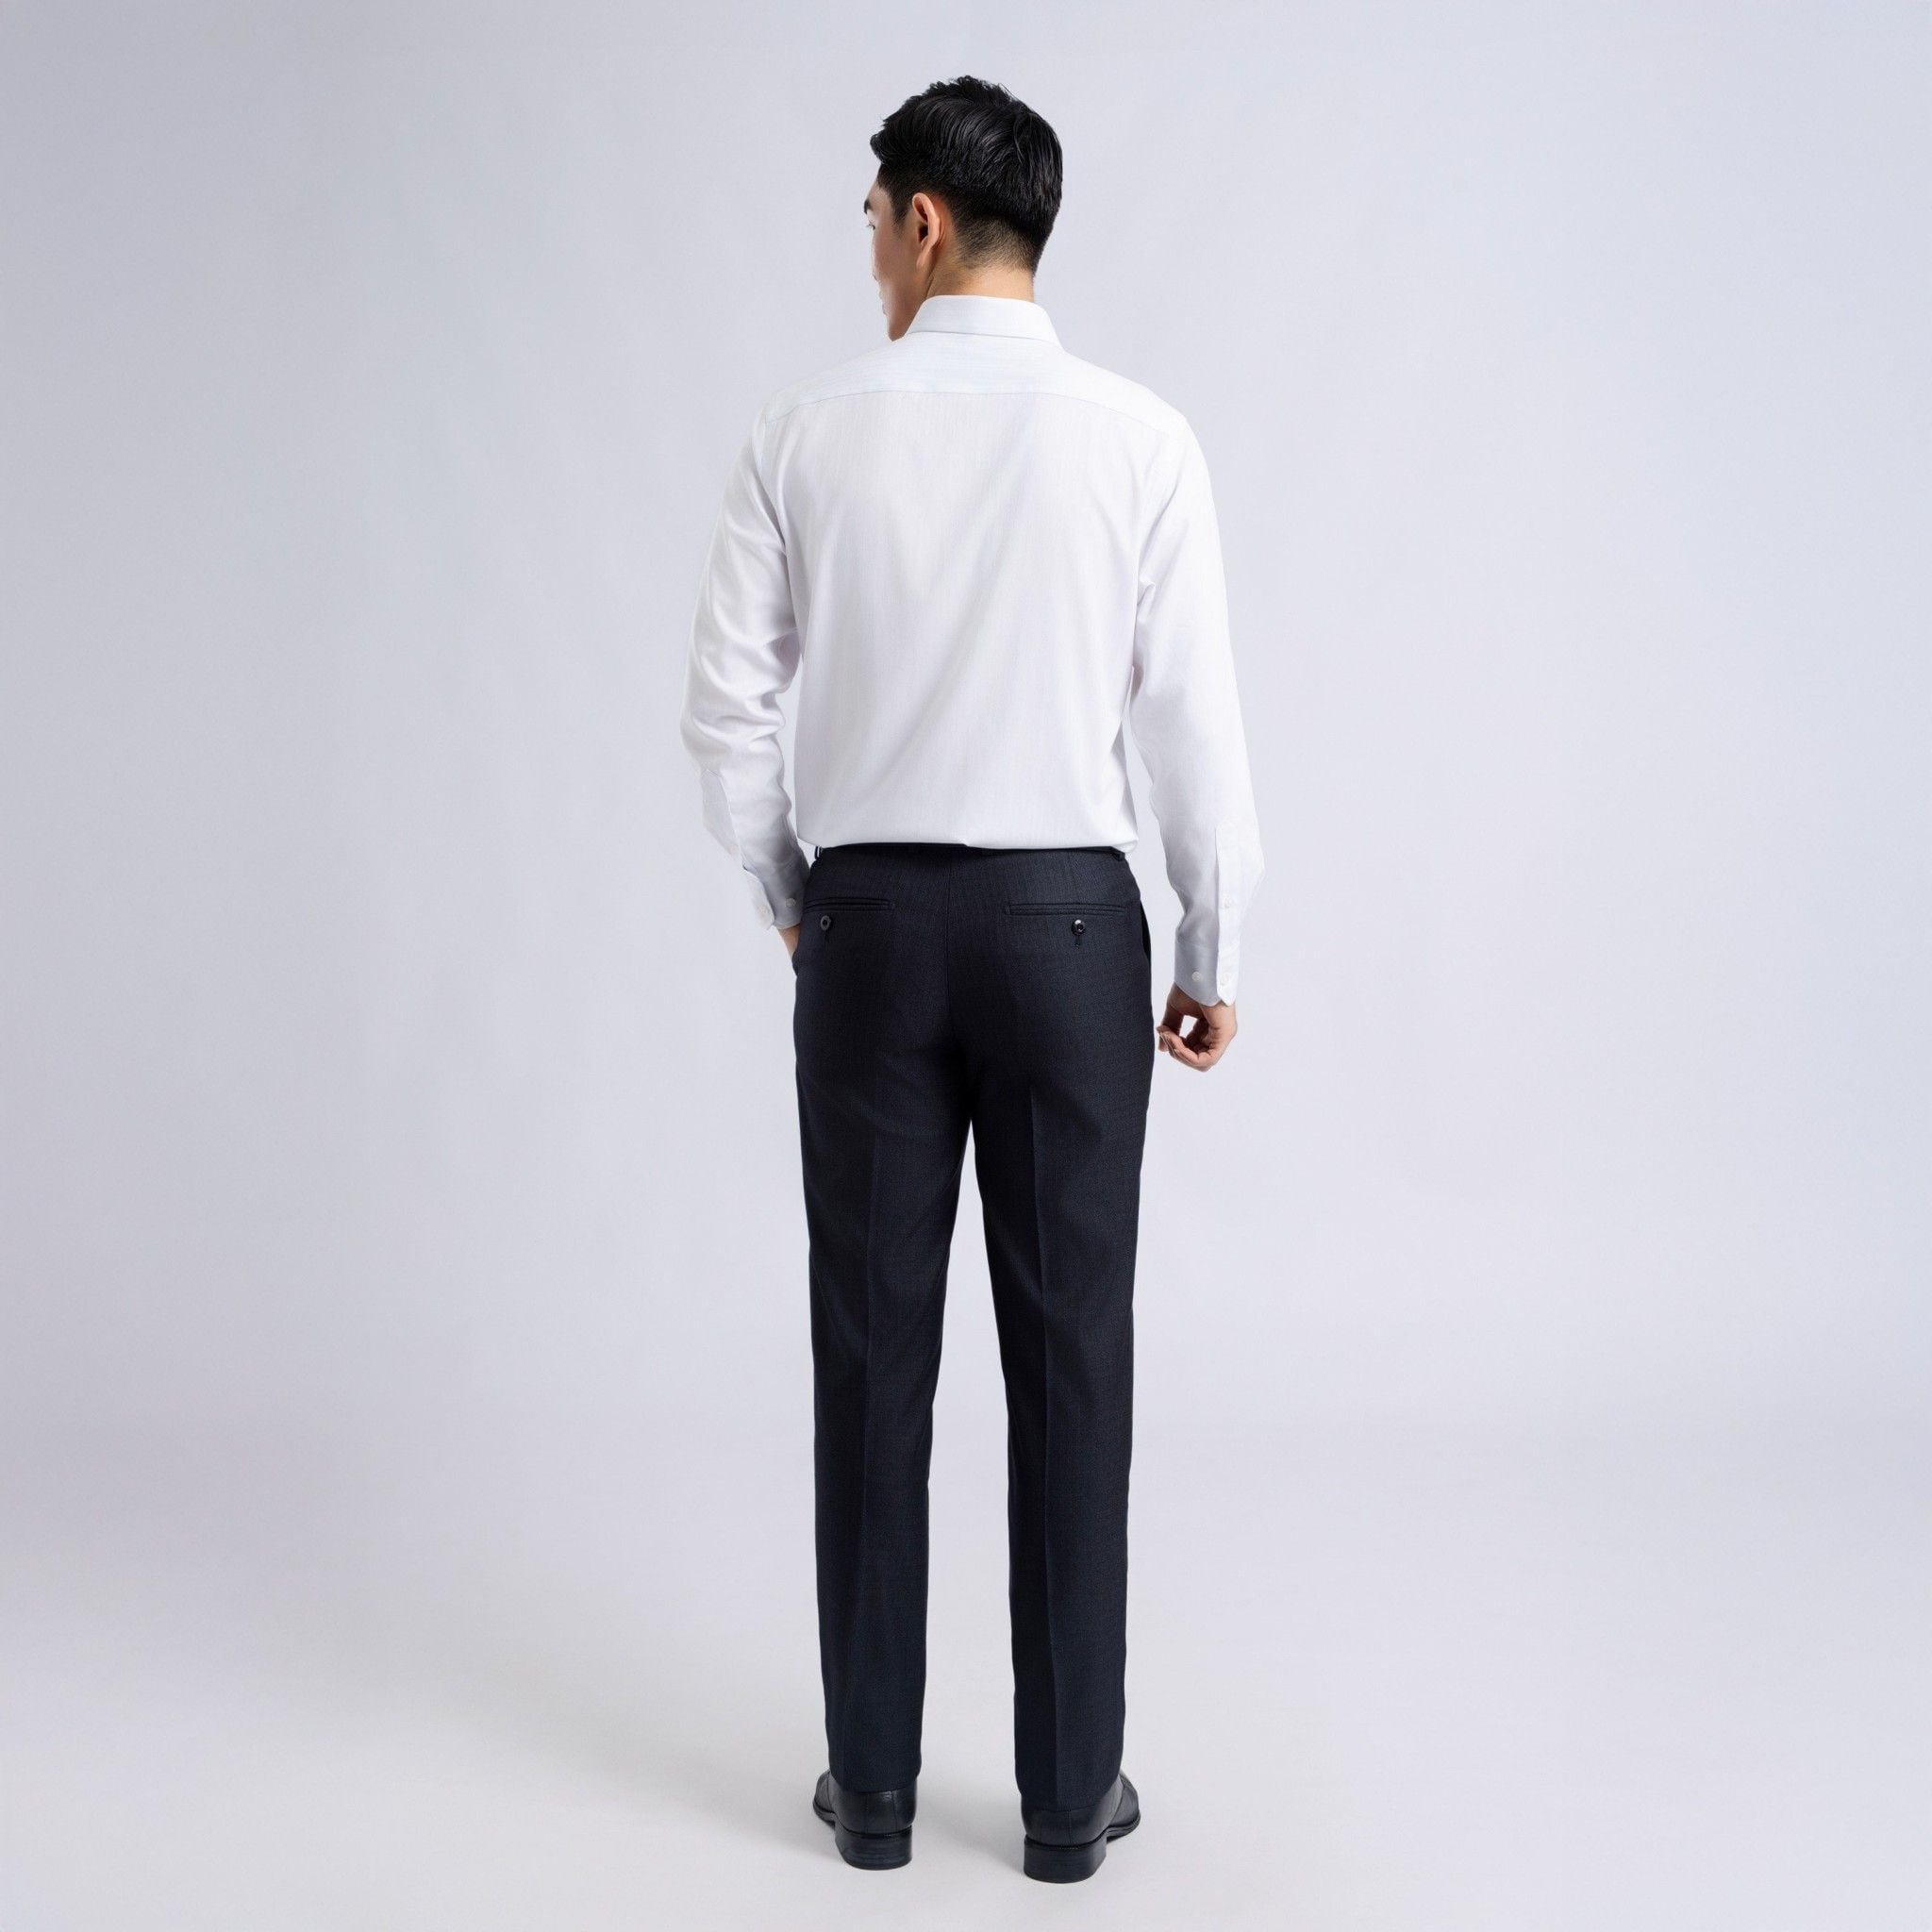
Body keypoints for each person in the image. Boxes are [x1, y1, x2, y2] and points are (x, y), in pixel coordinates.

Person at [679, 74, 1263, 1883]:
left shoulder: (803, 432)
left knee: (873, 1360)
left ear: (924, 221)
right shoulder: (1141, 439)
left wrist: (802, 895)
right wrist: (1212, 945)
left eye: (873, 220)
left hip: (869, 936)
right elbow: (1194, 730)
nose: (869, 252)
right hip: (1074, 937)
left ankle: (869, 1790)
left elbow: (725, 716)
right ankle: (1070, 1801)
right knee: (1074, 1362)